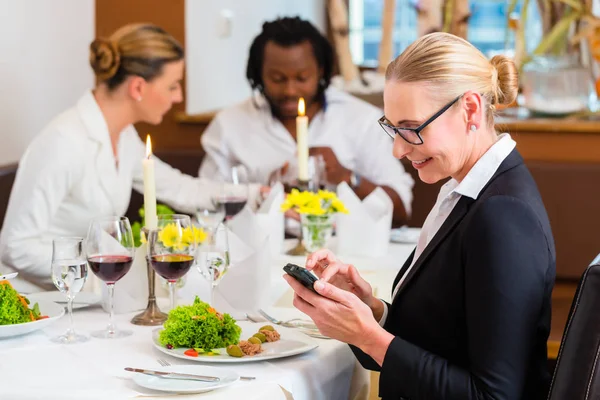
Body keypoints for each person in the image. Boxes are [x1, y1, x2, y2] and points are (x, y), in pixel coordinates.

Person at [284, 32, 556, 399]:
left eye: (411, 129)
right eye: (393, 129)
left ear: (470, 109)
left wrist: (367, 335)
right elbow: (446, 340)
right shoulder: (467, 191)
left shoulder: (503, 215)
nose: (397, 149)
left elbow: (493, 396)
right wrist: (371, 310)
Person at [0, 24, 260, 293]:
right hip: (41, 303)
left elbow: (178, 187)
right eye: (172, 86)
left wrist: (254, 194)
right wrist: (96, 270)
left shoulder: (123, 136)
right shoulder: (63, 142)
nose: (178, 96)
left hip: (94, 295)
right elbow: (15, 247)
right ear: (137, 87)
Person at [198, 17, 414, 226]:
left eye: (302, 78)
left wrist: (348, 177)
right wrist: (265, 193)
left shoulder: (360, 120)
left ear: (320, 70)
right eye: (277, 79)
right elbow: (206, 207)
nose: (290, 90)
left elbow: (401, 211)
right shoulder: (230, 125)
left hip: (342, 252)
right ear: (258, 74)